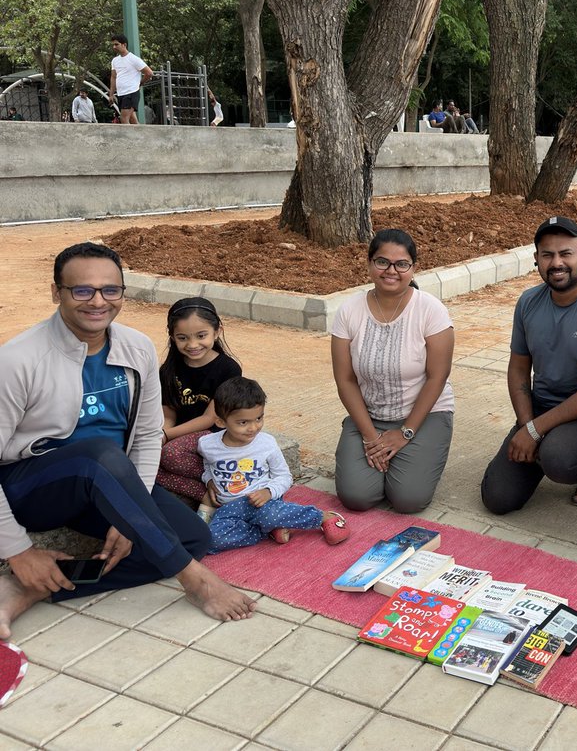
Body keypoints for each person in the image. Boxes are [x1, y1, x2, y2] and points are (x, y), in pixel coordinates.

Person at [0, 243, 255, 638]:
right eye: (82, 290)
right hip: (33, 487)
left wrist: (131, 511)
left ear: (122, 293)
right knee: (97, 456)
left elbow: (148, 435)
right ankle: (196, 581)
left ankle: (31, 588)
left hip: (106, 481)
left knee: (192, 538)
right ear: (57, 293)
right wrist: (18, 550)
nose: (98, 301)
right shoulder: (18, 360)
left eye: (110, 290)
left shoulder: (136, 348)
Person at [480, 216, 577, 513]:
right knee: (497, 499)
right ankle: (544, 446)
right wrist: (525, 425)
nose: (556, 262)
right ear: (536, 259)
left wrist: (535, 432)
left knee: (557, 459)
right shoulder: (528, 303)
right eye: (547, 255)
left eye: (566, 253)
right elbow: (519, 368)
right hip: (544, 406)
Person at [331, 229, 455, 514]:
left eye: (402, 264)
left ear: (413, 268)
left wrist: (405, 433)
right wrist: (370, 437)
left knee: (408, 500)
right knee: (356, 497)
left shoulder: (430, 310)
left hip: (424, 415)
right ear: (369, 264)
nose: (391, 271)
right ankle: (374, 452)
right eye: (382, 262)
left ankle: (416, 454)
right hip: (370, 415)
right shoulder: (349, 311)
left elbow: (438, 377)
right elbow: (345, 380)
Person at [199, 378, 351, 551]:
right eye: (243, 422)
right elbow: (208, 466)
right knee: (209, 541)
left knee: (271, 515)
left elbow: (284, 476)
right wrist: (209, 480)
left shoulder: (266, 444)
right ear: (220, 422)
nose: (253, 428)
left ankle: (322, 517)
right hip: (229, 509)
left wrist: (268, 492)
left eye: (258, 418)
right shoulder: (207, 444)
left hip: (264, 503)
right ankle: (267, 531)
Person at [154, 298, 242, 504]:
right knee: (142, 462)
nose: (192, 345)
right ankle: (204, 493)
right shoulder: (169, 369)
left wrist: (167, 436)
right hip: (179, 434)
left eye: (201, 336)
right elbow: (169, 411)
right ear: (172, 336)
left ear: (217, 331)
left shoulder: (228, 369)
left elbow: (210, 418)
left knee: (169, 456)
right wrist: (159, 434)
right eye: (182, 338)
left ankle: (219, 478)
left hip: (214, 434)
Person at [107, 34, 153, 125]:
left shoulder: (134, 59)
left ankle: (128, 139)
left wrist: (140, 83)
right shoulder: (115, 61)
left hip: (131, 92)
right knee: (133, 120)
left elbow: (149, 73)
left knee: (124, 118)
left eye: (116, 44)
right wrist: (111, 94)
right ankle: (142, 137)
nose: (114, 47)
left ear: (124, 45)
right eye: (113, 45)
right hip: (121, 93)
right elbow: (113, 77)